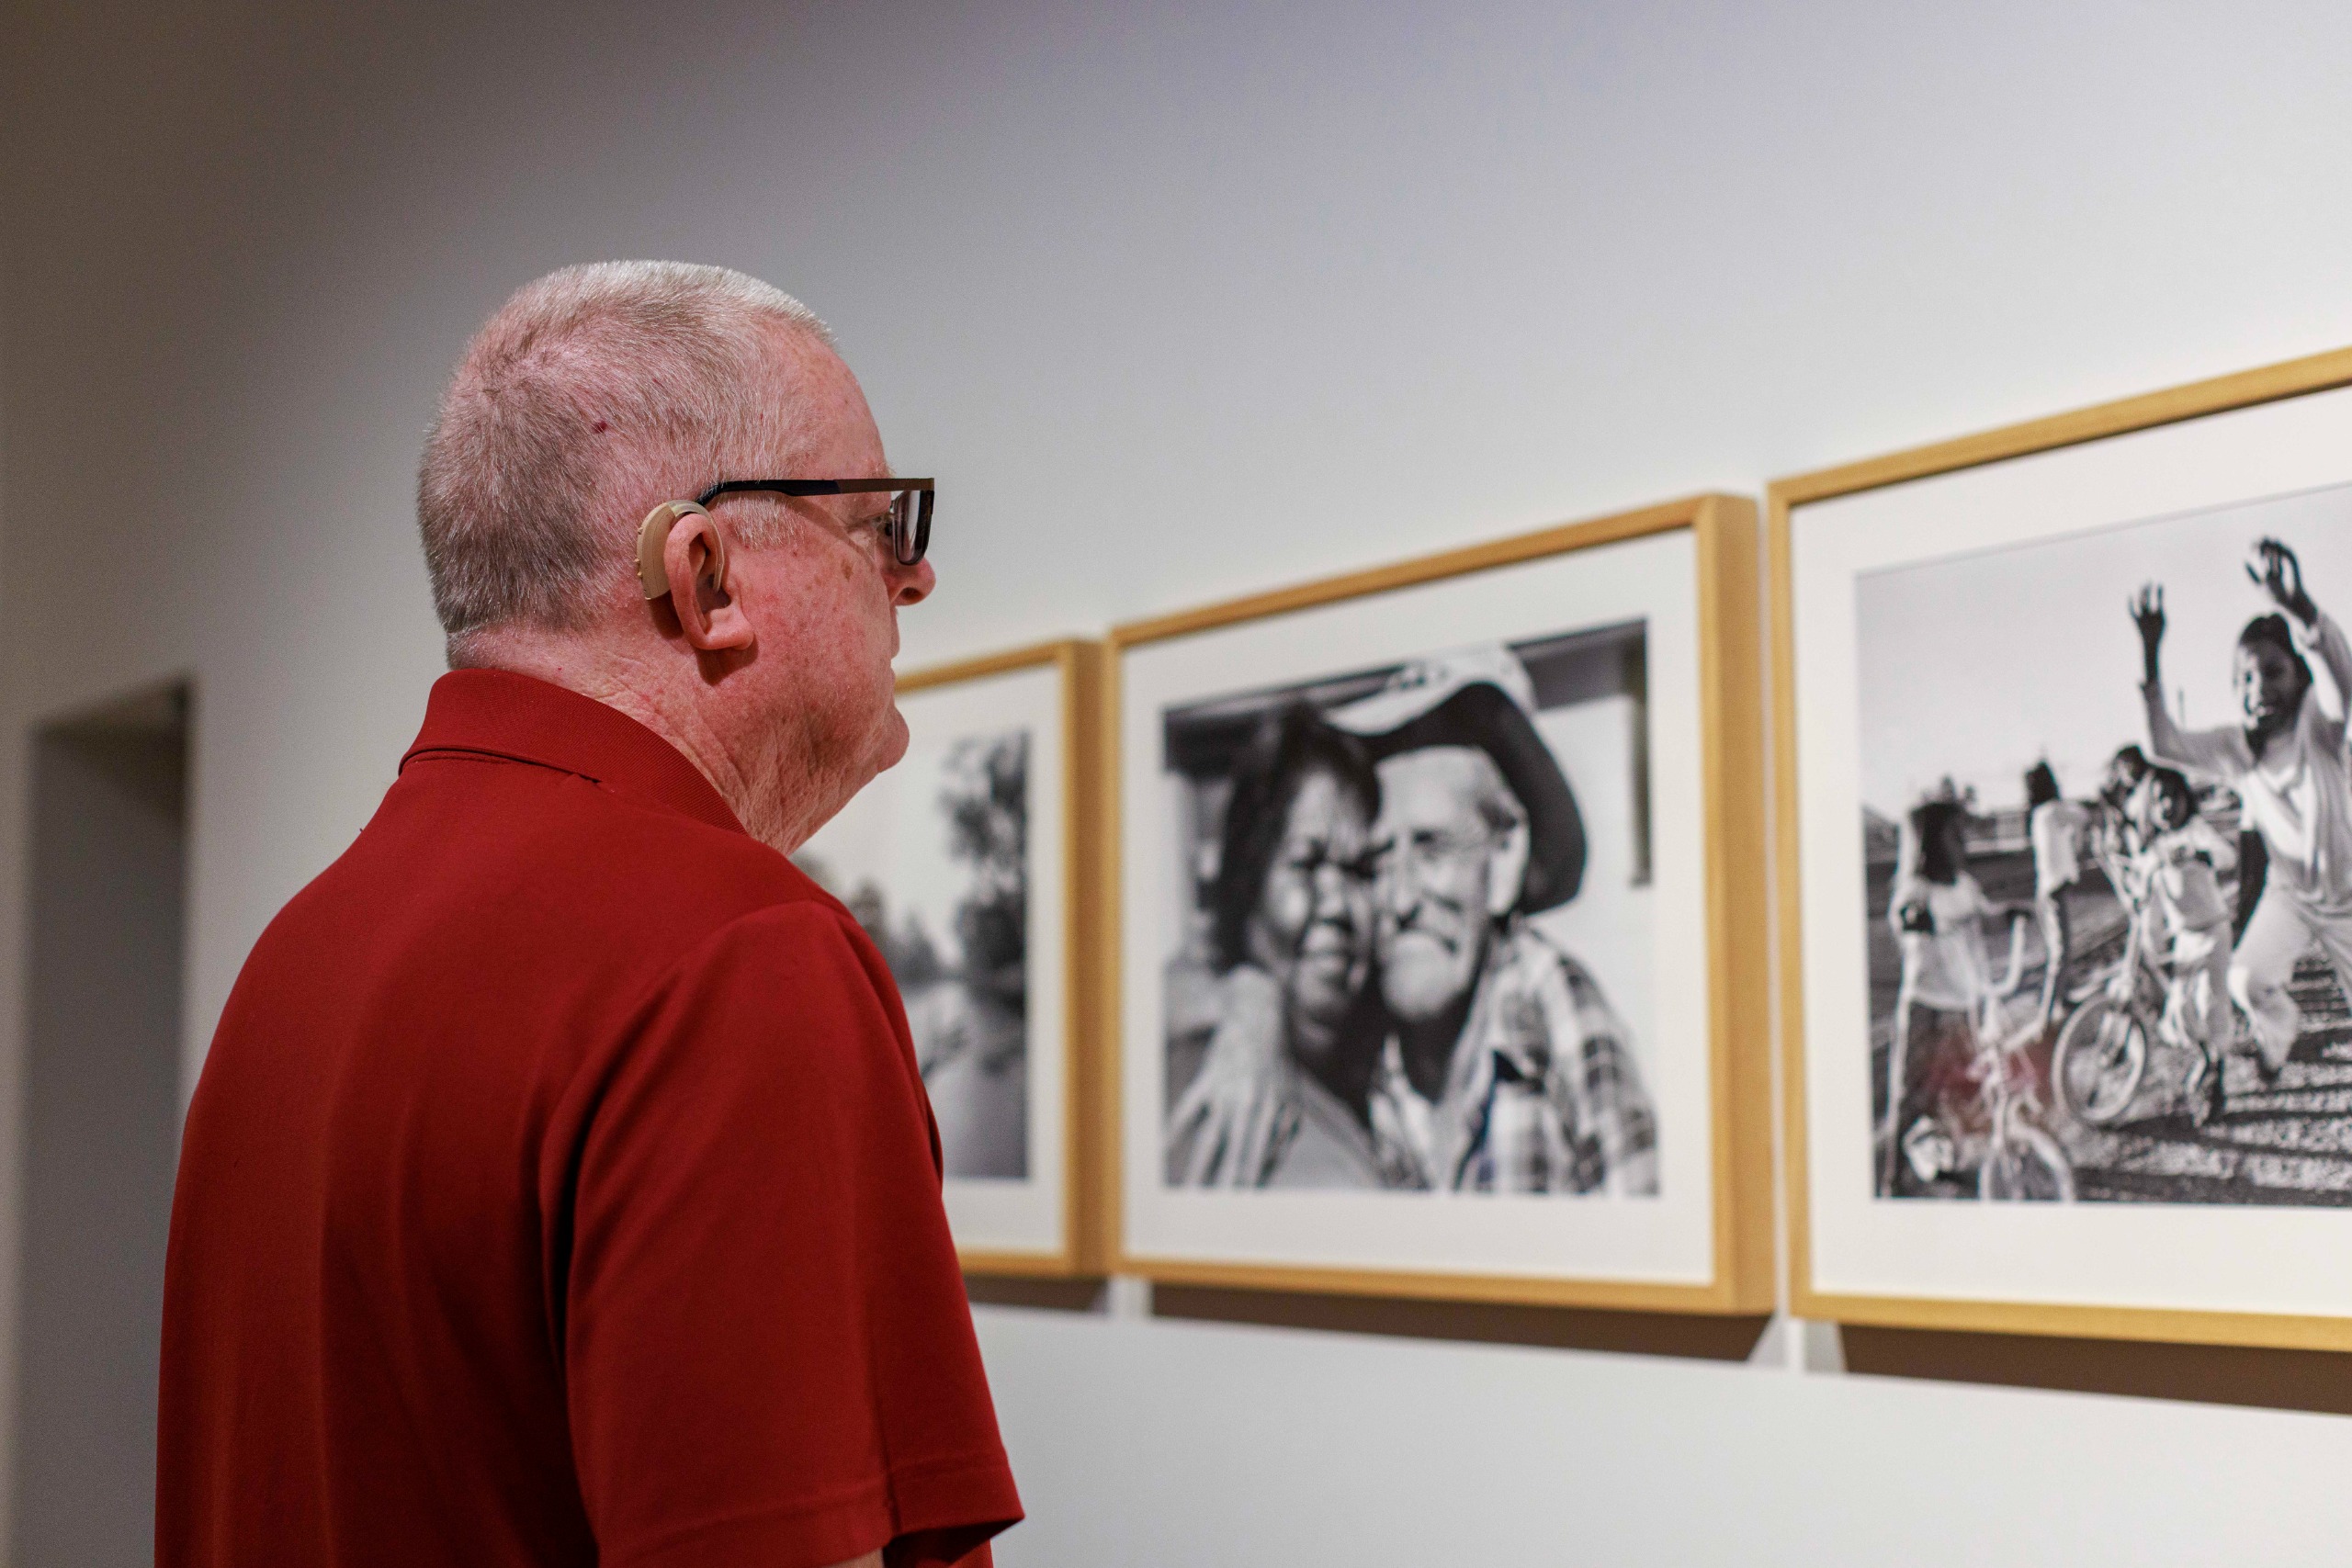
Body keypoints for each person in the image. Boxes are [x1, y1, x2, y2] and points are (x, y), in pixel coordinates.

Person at [157, 265, 1020, 1568]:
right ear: (707, 572)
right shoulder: (734, 955)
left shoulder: (300, 951)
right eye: (879, 522)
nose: (919, 575)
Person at [1334, 646, 1658, 1196]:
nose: (1400, 898)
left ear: (1504, 859)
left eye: (1432, 849)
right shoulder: (1359, 1015)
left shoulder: (1556, 1011)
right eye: (1379, 859)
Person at [2134, 536, 2352, 1080]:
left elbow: (2343, 685)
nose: (2258, 688)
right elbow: (2163, 743)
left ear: (2299, 677)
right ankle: (2276, 1040)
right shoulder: (2236, 749)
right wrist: (2150, 650)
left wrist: (2297, 603)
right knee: (2245, 977)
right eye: (2245, 678)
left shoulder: (2321, 728)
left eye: (2273, 672)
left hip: (2350, 899)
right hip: (2293, 898)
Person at [1164, 703, 1385, 1188]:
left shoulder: (1384, 1059)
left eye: (1360, 872)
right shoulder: (1221, 1095)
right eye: (1306, 863)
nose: (1338, 906)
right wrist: (1248, 998)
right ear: (1247, 885)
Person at [1882, 795, 2029, 1194]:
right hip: (1927, 1006)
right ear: (1931, 843)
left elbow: (1987, 917)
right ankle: (1894, 1178)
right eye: (1954, 836)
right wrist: (1916, 919)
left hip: (1964, 1004)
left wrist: (2013, 912)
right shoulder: (1918, 888)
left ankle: (1944, 1161)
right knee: (1911, 1094)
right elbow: (1903, 916)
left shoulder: (1965, 886)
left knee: (1960, 1088)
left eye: (1963, 835)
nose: (1962, 843)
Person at [2112, 766, 2238, 1123]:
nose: (2167, 806)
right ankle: (2206, 1056)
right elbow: (2140, 889)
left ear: (2186, 800)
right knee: (2182, 1011)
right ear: (2149, 810)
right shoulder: (2153, 850)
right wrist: (2134, 881)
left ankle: (2217, 1081)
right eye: (2158, 801)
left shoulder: (2196, 833)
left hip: (2213, 931)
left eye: (2173, 797)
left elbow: (2227, 855)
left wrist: (2201, 856)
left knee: (2212, 1005)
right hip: (2184, 938)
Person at [2025, 761, 2091, 1030]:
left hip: (2051, 889)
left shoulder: (2042, 815)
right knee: (2060, 953)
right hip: (2054, 890)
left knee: (2062, 949)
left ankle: (2061, 1002)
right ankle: (2046, 1015)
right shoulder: (2052, 812)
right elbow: (2083, 816)